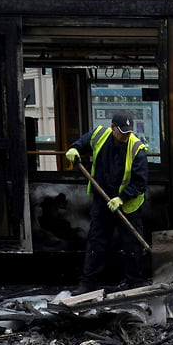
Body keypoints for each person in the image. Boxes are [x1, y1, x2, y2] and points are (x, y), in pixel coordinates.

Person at [65, 112, 149, 293]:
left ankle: (135, 283)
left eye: (128, 132)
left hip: (127, 205)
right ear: (112, 128)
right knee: (96, 242)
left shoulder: (136, 149)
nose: (126, 136)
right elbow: (82, 143)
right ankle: (87, 284)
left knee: (131, 245)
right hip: (102, 201)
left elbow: (140, 183)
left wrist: (122, 198)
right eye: (122, 132)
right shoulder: (99, 135)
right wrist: (74, 148)